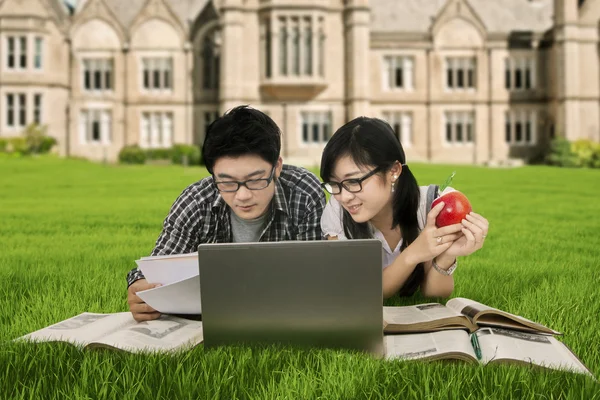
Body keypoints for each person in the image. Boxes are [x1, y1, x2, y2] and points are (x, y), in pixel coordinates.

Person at [127, 105, 326, 321]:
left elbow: (315, 276)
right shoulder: (195, 202)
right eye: (227, 182)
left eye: (255, 180)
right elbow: (158, 266)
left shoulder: (303, 193)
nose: (242, 195)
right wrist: (141, 288)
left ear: (277, 167)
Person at [319, 117, 489, 299]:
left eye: (353, 181)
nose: (343, 196)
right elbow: (360, 294)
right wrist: (414, 253)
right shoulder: (337, 212)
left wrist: (447, 256)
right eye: (334, 184)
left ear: (393, 171)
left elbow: (434, 297)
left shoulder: (434, 206)